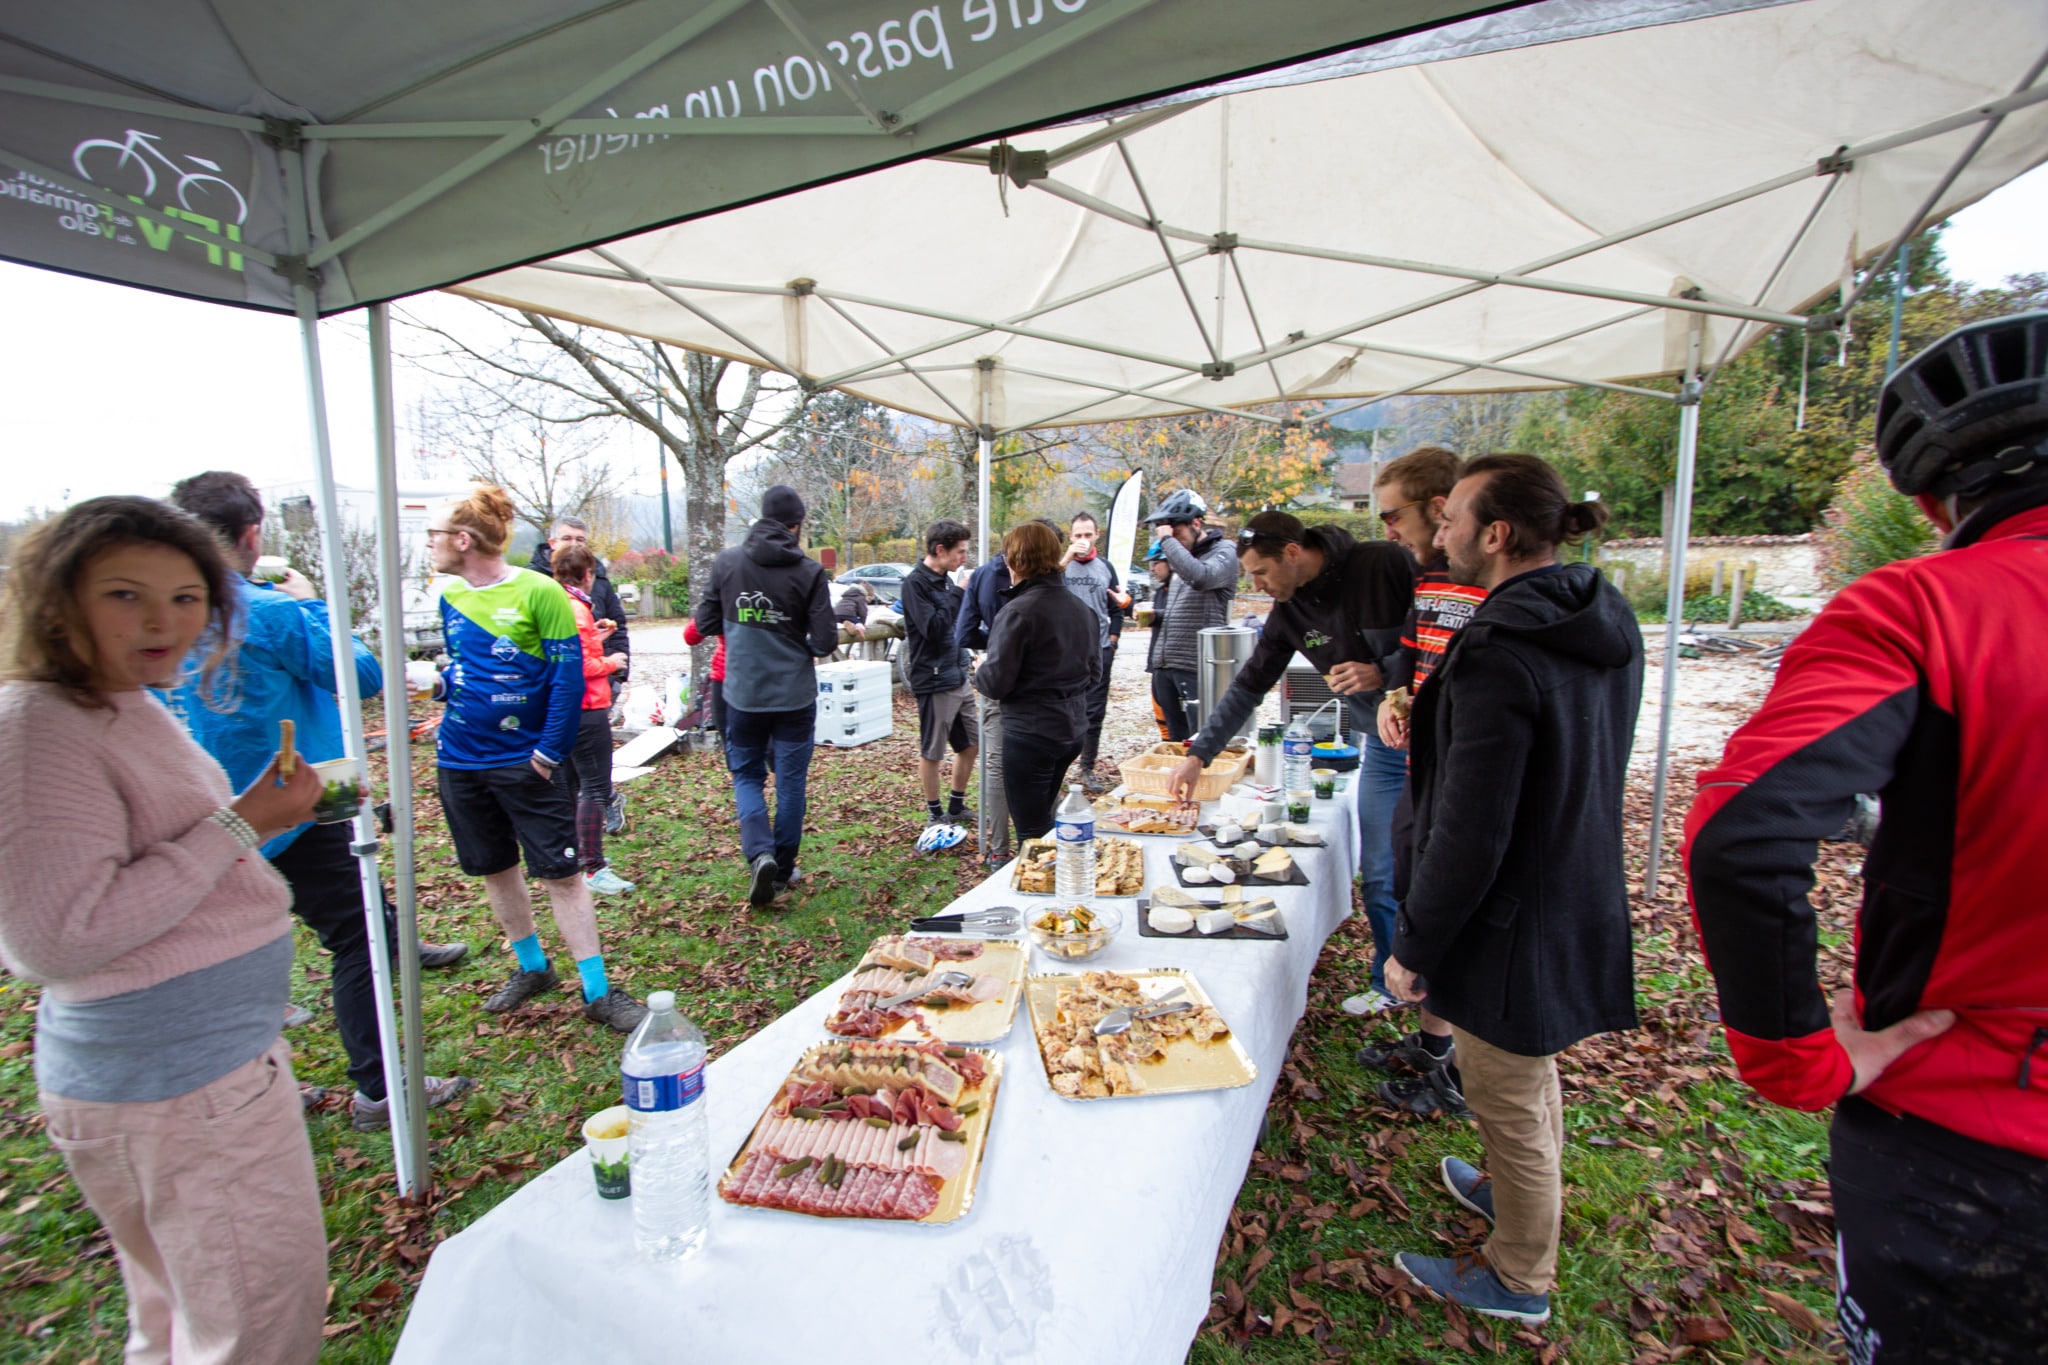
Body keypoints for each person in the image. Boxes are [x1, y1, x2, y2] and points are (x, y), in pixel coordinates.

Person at [1685, 312, 2048, 1362]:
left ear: (1932, 502)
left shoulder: (1924, 604)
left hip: (1975, 1135)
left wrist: (1794, 1059)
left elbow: (1745, 830)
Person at [0, 496, 329, 1363]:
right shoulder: (36, 725)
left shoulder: (116, 701)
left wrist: (244, 820)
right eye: (125, 594)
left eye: (185, 597)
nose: (163, 621)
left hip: (192, 1075)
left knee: (184, 1319)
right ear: (58, 600)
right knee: (253, 1328)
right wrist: (242, 823)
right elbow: (52, 939)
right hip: (177, 1089)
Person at [1378, 455, 1641, 1324]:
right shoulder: (1598, 611)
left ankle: (1520, 1274)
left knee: (1506, 1089)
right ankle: (1514, 1193)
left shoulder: (1499, 648)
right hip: (1570, 877)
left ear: (1496, 533)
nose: (1441, 529)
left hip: (1508, 908)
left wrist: (1415, 943)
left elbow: (1471, 825)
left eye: (1453, 516)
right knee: (1528, 1070)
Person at [166, 471, 472, 1132]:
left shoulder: (163, 615)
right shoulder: (269, 612)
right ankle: (380, 1090)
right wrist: (311, 604)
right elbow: (363, 673)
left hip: (202, 812)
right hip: (299, 801)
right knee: (359, 937)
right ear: (253, 535)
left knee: (234, 949)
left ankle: (255, 1081)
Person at [427, 486, 645, 1032]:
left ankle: (598, 991)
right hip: (460, 761)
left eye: (435, 535)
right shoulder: (450, 595)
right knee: (495, 868)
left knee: (562, 874)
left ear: (462, 539)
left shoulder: (539, 591)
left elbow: (566, 682)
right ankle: (532, 967)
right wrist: (438, 685)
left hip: (525, 762)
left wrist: (547, 754)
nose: (430, 544)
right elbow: (465, 672)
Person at [1342, 450, 1488, 1121]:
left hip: (1463, 770)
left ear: (1438, 508)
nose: (1388, 530)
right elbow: (1411, 653)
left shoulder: (1495, 586)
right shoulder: (1429, 576)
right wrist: (1391, 696)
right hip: (1421, 761)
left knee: (1455, 907)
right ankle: (1434, 1044)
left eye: (1393, 515)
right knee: (1411, 883)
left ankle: (1461, 1073)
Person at [1165, 510, 1411, 800]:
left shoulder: (1383, 563)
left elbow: (1443, 637)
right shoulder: (1288, 613)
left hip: (1435, 724)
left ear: (1292, 552)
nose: (1256, 586)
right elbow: (1248, 686)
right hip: (1384, 740)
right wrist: (1198, 756)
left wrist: (1383, 672)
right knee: (1376, 828)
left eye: (1261, 572)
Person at [693, 485, 838, 906]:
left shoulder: (727, 562)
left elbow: (704, 622)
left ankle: (760, 853)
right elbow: (825, 640)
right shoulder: (810, 571)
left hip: (743, 694)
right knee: (790, 783)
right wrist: (797, 643)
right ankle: (784, 867)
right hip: (794, 696)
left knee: (747, 775)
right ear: (797, 526)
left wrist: (742, 624)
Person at [973, 521, 1101, 843]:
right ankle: (1059, 867)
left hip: (1031, 735)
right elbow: (1094, 674)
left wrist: (980, 669)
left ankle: (1046, 873)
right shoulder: (1083, 610)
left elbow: (995, 684)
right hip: (1071, 731)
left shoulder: (1017, 612)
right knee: (1044, 822)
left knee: (1032, 835)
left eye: (1007, 558)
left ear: (1016, 561)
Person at [529, 516, 630, 835]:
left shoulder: (591, 587)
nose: (574, 544)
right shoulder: (542, 587)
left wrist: (614, 669)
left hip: (585, 694)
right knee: (585, 782)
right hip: (574, 699)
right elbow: (572, 661)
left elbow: (608, 628)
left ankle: (574, 844)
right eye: (567, 538)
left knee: (576, 777)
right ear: (551, 543)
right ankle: (588, 854)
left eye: (580, 540)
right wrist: (610, 663)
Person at [549, 543, 633, 897]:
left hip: (564, 708)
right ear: (587, 575)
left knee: (570, 784)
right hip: (587, 707)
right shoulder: (577, 610)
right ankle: (594, 867)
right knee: (595, 787)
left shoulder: (554, 603)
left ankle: (575, 855)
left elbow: (570, 652)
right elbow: (579, 665)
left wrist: (596, 639)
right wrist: (612, 662)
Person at [900, 519, 979, 827]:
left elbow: (955, 625)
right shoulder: (915, 584)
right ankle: (935, 814)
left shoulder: (946, 580)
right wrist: (959, 593)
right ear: (940, 550)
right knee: (932, 752)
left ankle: (956, 806)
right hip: (933, 679)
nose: (964, 558)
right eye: (960, 552)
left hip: (957, 674)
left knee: (970, 744)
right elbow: (932, 628)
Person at [1144, 489, 1237, 739]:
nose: (1174, 541)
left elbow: (1201, 578)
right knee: (1175, 742)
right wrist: (1157, 616)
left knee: (1199, 741)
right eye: (1170, 535)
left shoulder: (1224, 551)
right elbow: (1183, 609)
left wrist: (1167, 540)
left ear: (1196, 523)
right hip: (1166, 666)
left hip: (1195, 667)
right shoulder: (1183, 558)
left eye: (1177, 533)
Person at [1059, 511, 1130, 791]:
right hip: (1065, 652)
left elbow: (1117, 607)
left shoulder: (1105, 567)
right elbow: (1041, 585)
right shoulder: (1061, 566)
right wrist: (1066, 557)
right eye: (1078, 535)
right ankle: (1059, 767)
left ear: (1097, 535)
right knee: (1064, 710)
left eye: (1088, 534)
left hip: (1099, 650)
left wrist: (1113, 641)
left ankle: (1087, 767)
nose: (1083, 540)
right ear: (1070, 536)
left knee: (1094, 712)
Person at [955, 540, 1015, 862]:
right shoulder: (1045, 579)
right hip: (1034, 683)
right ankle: (1045, 837)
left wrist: (993, 642)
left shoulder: (980, 575)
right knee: (1040, 758)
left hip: (995, 672)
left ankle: (999, 850)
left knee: (996, 762)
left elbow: (964, 634)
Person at [1141, 541, 1184, 741]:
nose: (1152, 568)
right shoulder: (1160, 592)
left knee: (1180, 721)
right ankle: (1168, 749)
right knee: (1163, 718)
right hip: (1158, 664)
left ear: (1171, 562)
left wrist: (1156, 615)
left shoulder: (1183, 590)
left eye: (1156, 562)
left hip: (1177, 665)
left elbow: (1180, 618)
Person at [682, 615, 726, 731]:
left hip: (728, 679)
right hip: (771, 680)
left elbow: (691, 636)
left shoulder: (724, 602)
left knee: (733, 739)